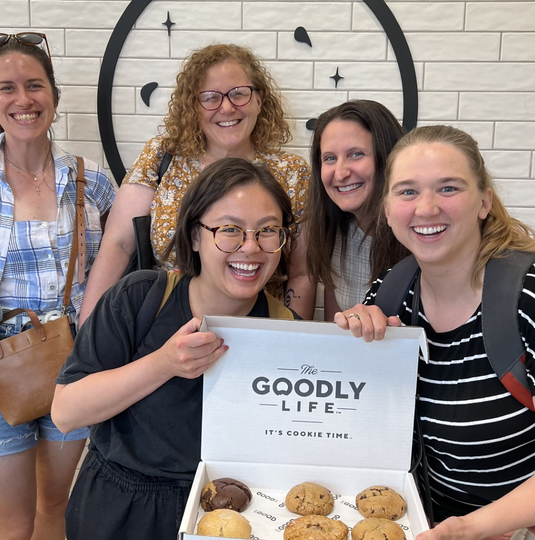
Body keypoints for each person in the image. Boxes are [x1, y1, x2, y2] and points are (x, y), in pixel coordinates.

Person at [336, 125, 535, 540]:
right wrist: (352, 346)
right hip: (445, 523)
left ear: (484, 201)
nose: (425, 209)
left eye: (448, 188)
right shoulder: (390, 294)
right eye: (407, 192)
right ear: (387, 210)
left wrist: (474, 527)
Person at [0, 32, 115, 540]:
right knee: (9, 525)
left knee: (57, 509)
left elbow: (111, 279)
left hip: (72, 365)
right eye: (6, 87)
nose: (23, 99)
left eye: (34, 85)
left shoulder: (92, 182)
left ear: (53, 95)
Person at [51, 157, 297, 540]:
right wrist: (163, 363)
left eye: (268, 231)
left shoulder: (286, 330)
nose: (250, 248)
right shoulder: (139, 298)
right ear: (195, 235)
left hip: (228, 516)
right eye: (230, 229)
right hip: (118, 510)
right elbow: (66, 412)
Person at [81, 43, 314, 321]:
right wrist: (89, 329)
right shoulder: (161, 157)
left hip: (258, 330)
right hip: (161, 326)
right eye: (210, 97)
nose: (227, 107)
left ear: (259, 100)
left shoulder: (290, 173)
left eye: (239, 94)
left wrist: (295, 342)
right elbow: (118, 245)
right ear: (193, 106)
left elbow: (301, 274)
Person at [305, 100, 408, 321]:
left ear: (387, 157)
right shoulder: (333, 231)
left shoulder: (417, 236)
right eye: (330, 158)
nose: (340, 173)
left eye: (356, 154)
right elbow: (337, 329)